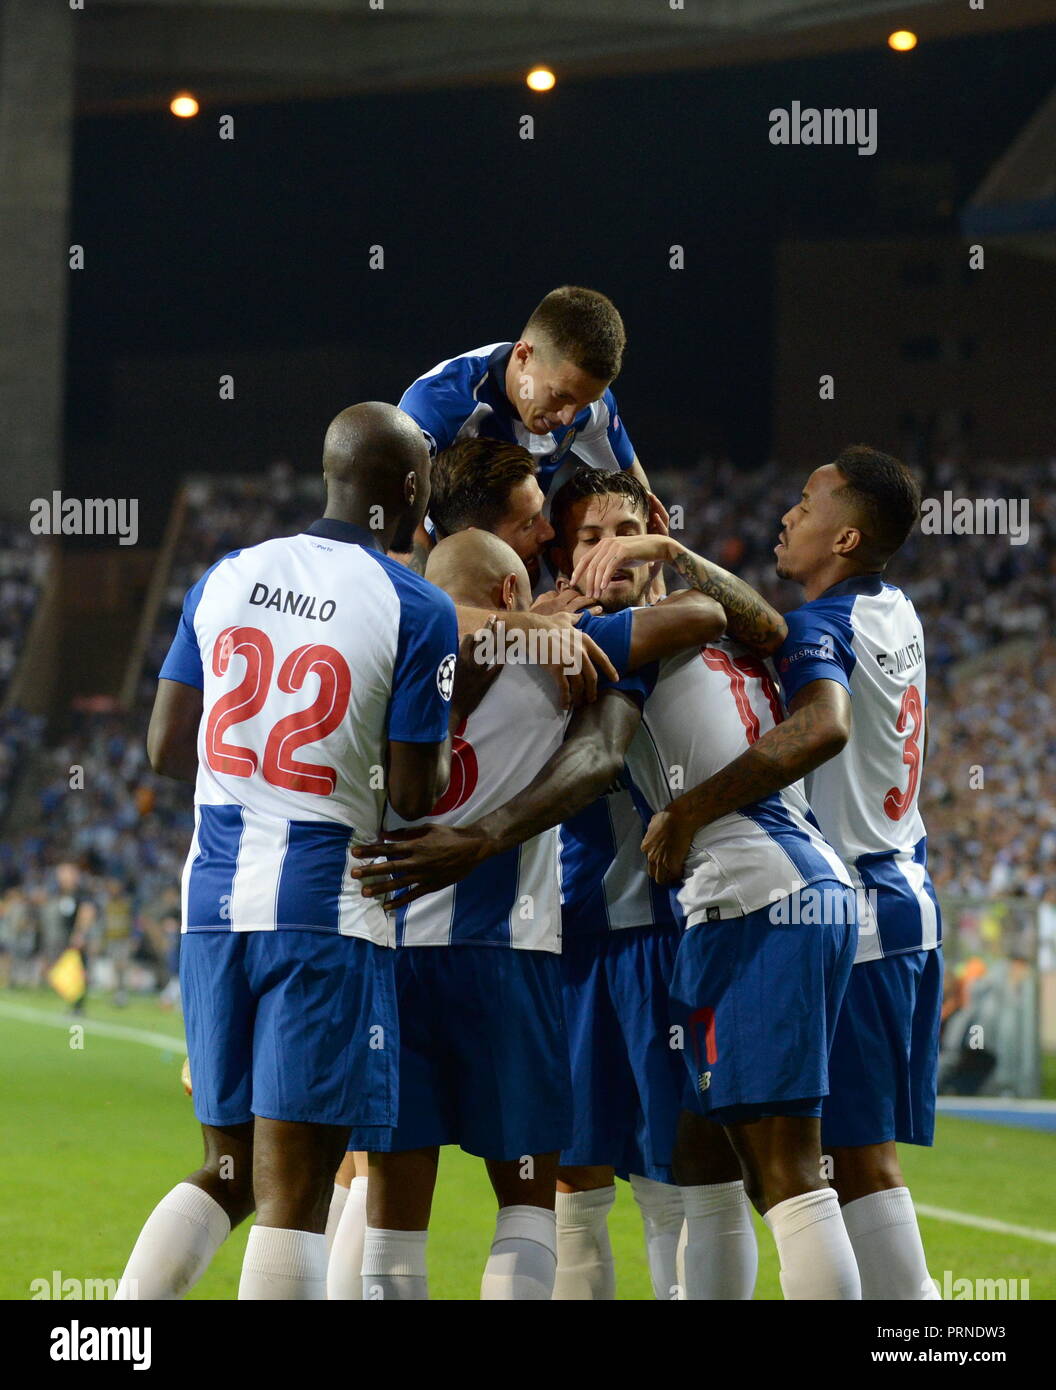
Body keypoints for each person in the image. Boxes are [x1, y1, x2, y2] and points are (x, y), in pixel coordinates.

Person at [115, 402, 474, 1301]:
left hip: (212, 908)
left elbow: (165, 749)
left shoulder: (226, 572)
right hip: (324, 912)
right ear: (407, 491)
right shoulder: (416, 603)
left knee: (228, 1171)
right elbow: (417, 794)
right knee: (296, 1199)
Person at [343, 529, 725, 1300]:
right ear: (513, 592)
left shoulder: (377, 649)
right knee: (526, 1206)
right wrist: (565, 615)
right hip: (508, 957)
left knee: (389, 1219)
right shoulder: (569, 647)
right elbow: (709, 616)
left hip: (389, 955)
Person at [628, 447, 942, 1300]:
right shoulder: (897, 610)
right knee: (826, 1160)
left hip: (846, 906)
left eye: (806, 505)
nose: (786, 516)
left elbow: (819, 727)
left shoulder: (819, 629)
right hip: (902, 893)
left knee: (844, 1166)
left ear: (844, 535)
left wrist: (689, 809)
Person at [396, 286, 666, 582]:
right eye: (559, 395)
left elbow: (635, 491)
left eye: (584, 403)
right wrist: (438, 601)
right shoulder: (437, 405)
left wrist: (653, 583)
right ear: (523, 355)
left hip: (523, 566)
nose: (568, 417)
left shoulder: (590, 404)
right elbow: (399, 521)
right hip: (447, 569)